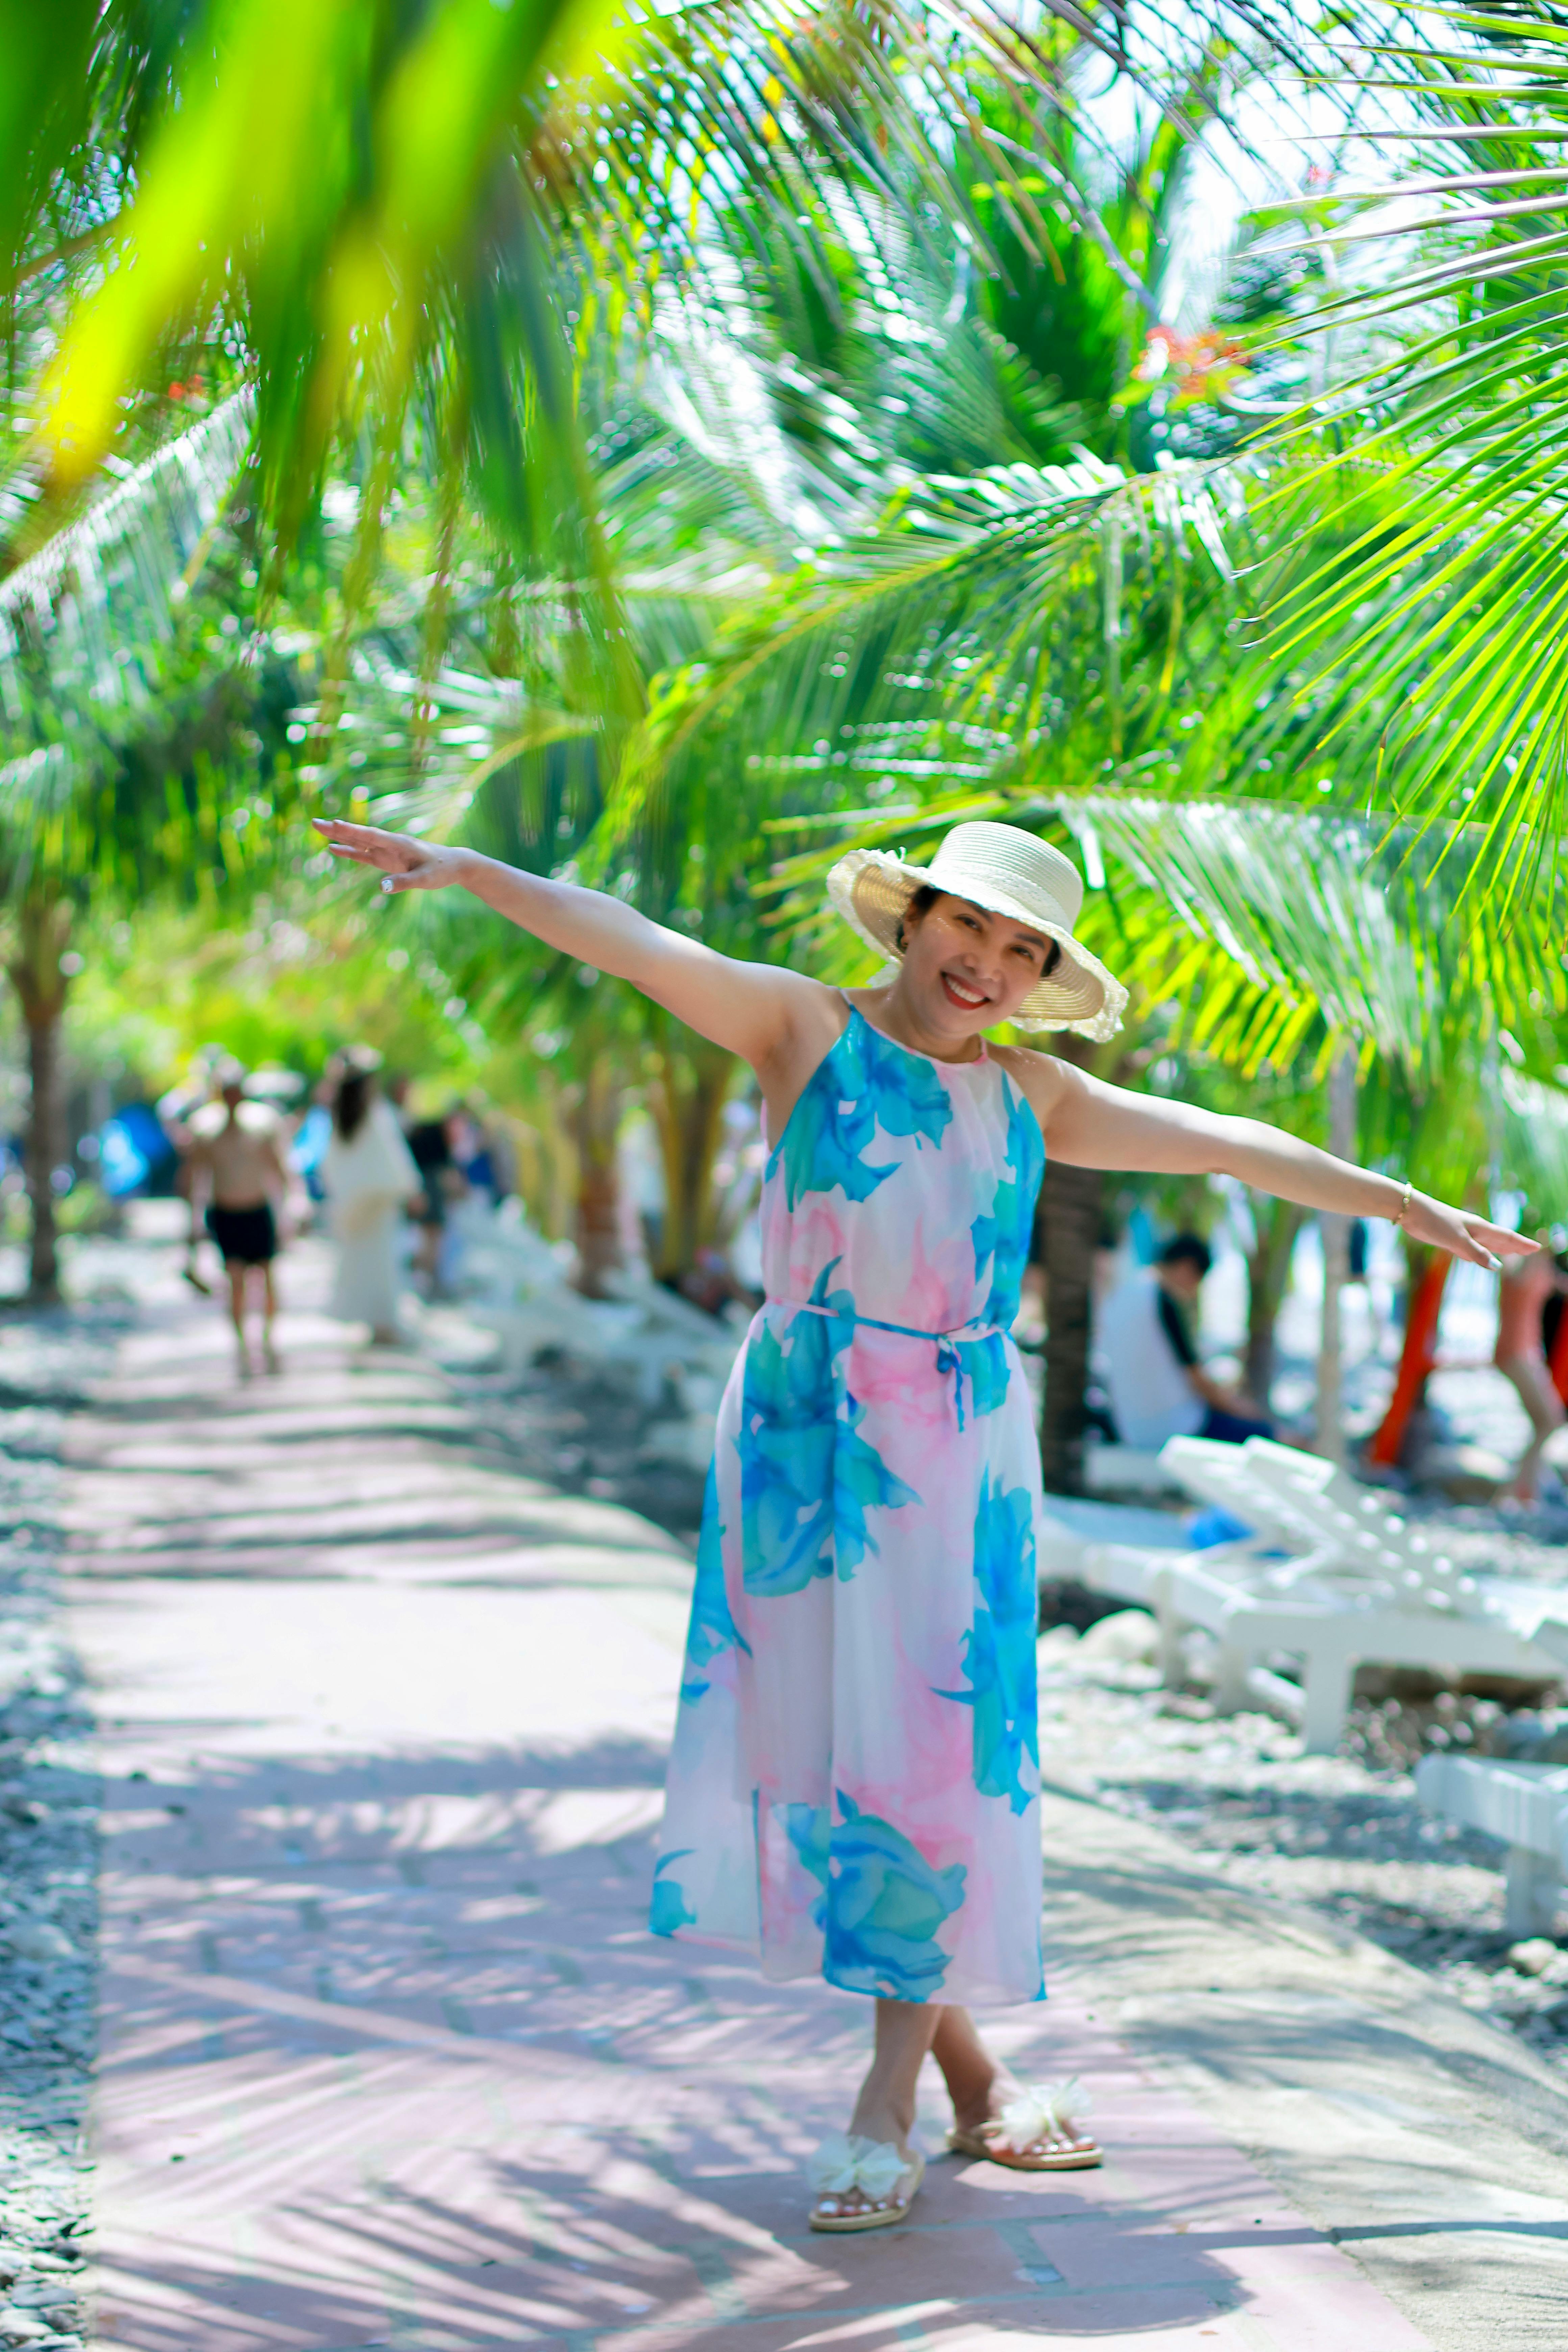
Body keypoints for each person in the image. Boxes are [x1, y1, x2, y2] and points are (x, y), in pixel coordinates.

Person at [313, 809, 1530, 2234]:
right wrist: (467, 871)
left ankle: (879, 2104)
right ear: (910, 918)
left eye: (1021, 951)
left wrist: (1405, 1205)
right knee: (835, 1755)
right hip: (800, 1432)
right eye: (969, 926)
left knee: (930, 1766)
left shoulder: (1032, 1099)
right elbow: (630, 942)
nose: (987, 966)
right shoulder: (799, 1030)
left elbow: (1228, 1147)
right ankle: (969, 2079)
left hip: (953, 1450)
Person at [1100, 1232, 1273, 1449]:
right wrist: (1244, 1411)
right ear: (1187, 1267)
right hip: (1177, 1428)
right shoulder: (1162, 1298)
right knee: (1273, 1437)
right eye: (1198, 1280)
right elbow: (1197, 1379)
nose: (1193, 1292)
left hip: (1130, 1429)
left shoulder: (1124, 1293)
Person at [185, 1060, 291, 1376]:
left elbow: (280, 1168)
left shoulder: (263, 1122)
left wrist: (292, 1206)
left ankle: (269, 1338)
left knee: (268, 1276)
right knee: (236, 1280)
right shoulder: (204, 1127)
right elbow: (196, 1176)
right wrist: (192, 1223)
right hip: (226, 1212)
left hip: (258, 1210)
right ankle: (242, 1344)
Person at [322, 1051, 422, 1345]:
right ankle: (383, 1321)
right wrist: (410, 1189)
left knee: (366, 1261)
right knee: (381, 1261)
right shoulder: (374, 1114)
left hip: (358, 1203)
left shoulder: (341, 1117)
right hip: (378, 1203)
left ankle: (378, 1320)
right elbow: (393, 1156)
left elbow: (334, 1163)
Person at [1493, 1235, 1568, 1504]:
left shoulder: (1546, 1263)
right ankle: (1518, 1489)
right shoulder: (1520, 1261)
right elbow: (1514, 1276)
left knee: (1548, 1420)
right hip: (1514, 1351)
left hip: (1530, 1352)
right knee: (1549, 1420)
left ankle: (1525, 1488)